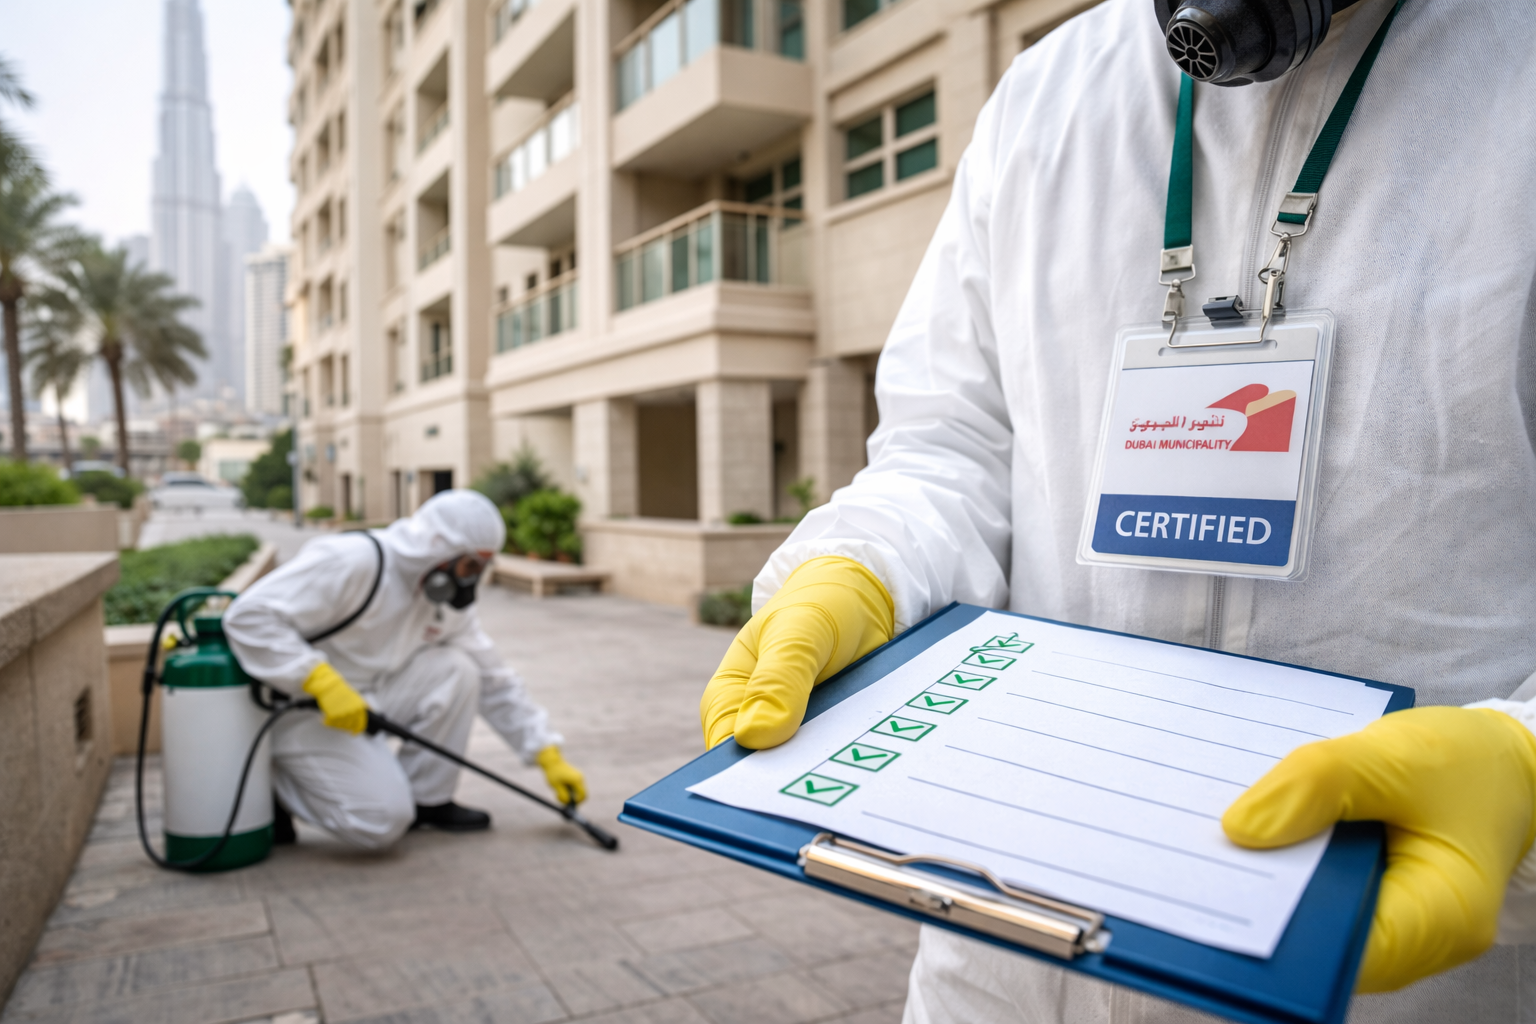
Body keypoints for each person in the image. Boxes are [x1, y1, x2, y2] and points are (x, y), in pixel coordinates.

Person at [700, 0, 1536, 1019]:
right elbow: (949, 446)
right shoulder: (1045, 94)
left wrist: (1527, 765)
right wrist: (868, 563)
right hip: (1000, 956)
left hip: (1384, 974)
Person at [225, 489, 587, 851]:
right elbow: (248, 616)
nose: (472, 580)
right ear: (438, 551)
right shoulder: (354, 561)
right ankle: (279, 787)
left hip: (364, 699)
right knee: (379, 823)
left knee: (458, 670)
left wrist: (545, 753)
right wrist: (316, 679)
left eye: (482, 568)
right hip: (301, 708)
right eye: (471, 566)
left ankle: (427, 801)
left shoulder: (444, 603)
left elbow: (495, 678)